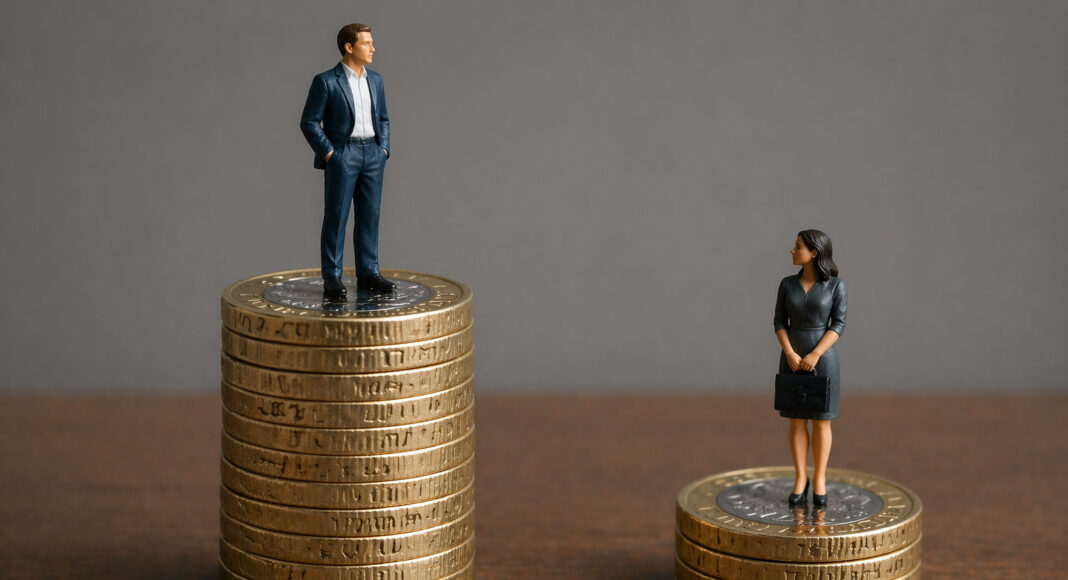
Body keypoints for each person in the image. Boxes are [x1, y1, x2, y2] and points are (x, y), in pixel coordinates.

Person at [300, 22, 396, 301]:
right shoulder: (327, 81)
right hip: (344, 154)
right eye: (367, 43)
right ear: (349, 47)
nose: (373, 48)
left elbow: (384, 119)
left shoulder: (375, 80)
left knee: (370, 215)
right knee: (337, 215)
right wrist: (331, 154)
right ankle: (332, 276)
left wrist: (384, 149)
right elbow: (309, 121)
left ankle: (368, 272)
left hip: (373, 155)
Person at [773, 229, 847, 508]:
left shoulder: (836, 286)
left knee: (822, 420)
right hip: (791, 358)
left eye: (797, 247)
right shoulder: (786, 284)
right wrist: (790, 352)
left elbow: (838, 324)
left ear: (814, 252)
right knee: (796, 420)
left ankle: (820, 479)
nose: (792, 251)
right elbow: (780, 322)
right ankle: (800, 477)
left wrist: (816, 352)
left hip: (824, 361)